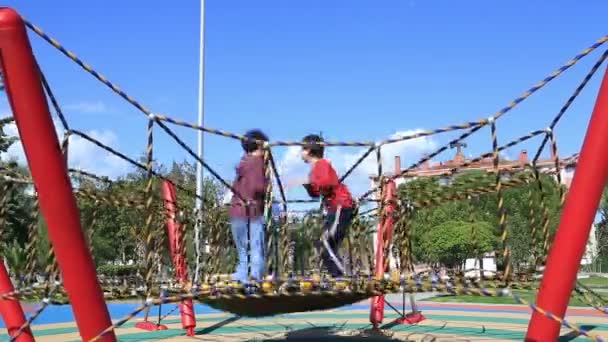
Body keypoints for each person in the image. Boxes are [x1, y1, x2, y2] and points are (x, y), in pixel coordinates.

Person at [294, 134, 355, 277]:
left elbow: (327, 183)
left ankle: (341, 276)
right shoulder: (315, 169)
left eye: (302, 149)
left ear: (308, 150)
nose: (300, 153)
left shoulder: (321, 164)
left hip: (340, 205)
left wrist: (310, 182)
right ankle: (338, 275)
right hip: (334, 208)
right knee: (325, 245)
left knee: (325, 244)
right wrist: (308, 186)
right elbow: (317, 193)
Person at [229, 129, 269, 282]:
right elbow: (257, 187)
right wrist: (267, 187)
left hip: (236, 210)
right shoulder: (257, 163)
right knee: (256, 246)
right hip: (252, 212)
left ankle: (242, 275)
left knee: (243, 249)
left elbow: (235, 187)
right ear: (261, 147)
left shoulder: (243, 163)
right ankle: (254, 277)